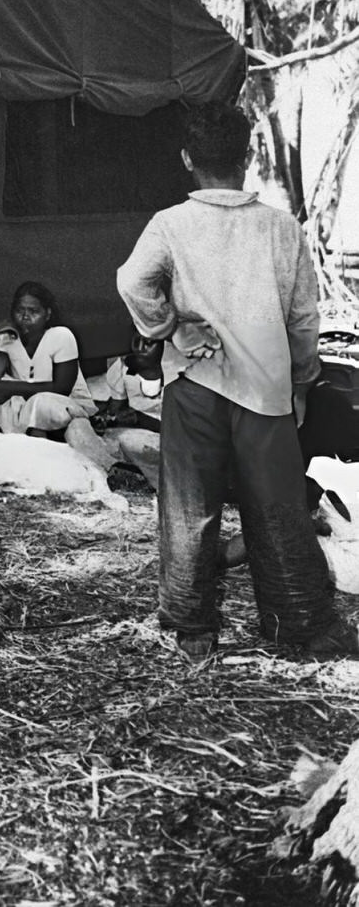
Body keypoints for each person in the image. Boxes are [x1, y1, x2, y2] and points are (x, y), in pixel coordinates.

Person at [116, 101, 357, 661]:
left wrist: (168, 327)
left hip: (196, 384)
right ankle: (297, 624)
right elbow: (302, 318)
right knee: (277, 508)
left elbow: (133, 282)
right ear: (247, 158)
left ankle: (191, 623)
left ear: (186, 159)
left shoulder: (170, 224)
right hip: (264, 388)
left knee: (188, 508)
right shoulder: (280, 228)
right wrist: (301, 380)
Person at [0, 281, 98, 439]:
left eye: (33, 311)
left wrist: (12, 388)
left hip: (67, 404)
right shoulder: (7, 339)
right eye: (19, 310)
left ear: (47, 314)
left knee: (39, 402)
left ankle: (39, 452)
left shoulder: (61, 336)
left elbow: (62, 389)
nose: (25, 316)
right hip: (28, 403)